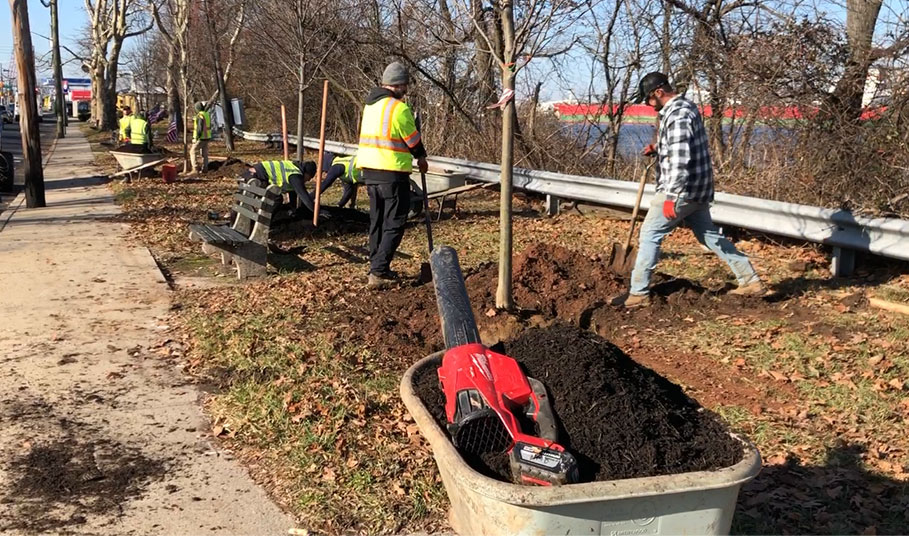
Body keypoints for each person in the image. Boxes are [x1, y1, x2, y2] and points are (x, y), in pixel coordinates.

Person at [618, 72, 766, 308]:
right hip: (698, 189)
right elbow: (682, 143)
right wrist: (658, 147)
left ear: (659, 92)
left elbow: (679, 158)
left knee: (650, 234)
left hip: (682, 190)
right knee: (708, 235)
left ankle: (638, 293)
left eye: (648, 99)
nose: (647, 104)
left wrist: (671, 197)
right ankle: (750, 280)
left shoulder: (677, 114)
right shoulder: (686, 107)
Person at [357, 61, 428, 289]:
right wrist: (421, 157)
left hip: (370, 172)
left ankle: (376, 266)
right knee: (395, 221)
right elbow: (412, 141)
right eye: (405, 85)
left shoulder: (370, 107)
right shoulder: (399, 108)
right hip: (392, 172)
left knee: (377, 221)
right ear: (398, 85)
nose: (406, 90)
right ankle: (378, 272)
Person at [243, 160, 318, 218]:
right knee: (276, 199)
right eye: (310, 177)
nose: (308, 180)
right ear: (307, 173)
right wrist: (317, 211)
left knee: (275, 198)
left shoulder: (293, 167)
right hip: (256, 179)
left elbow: (293, 193)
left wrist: (293, 208)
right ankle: (264, 223)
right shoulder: (295, 176)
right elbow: (304, 196)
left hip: (251, 174)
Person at [191, 102, 212, 174]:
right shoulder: (206, 114)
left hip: (201, 137)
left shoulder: (200, 116)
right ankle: (205, 169)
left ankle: (195, 168)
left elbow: (199, 129)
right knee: (204, 154)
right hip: (207, 137)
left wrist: (196, 138)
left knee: (192, 151)